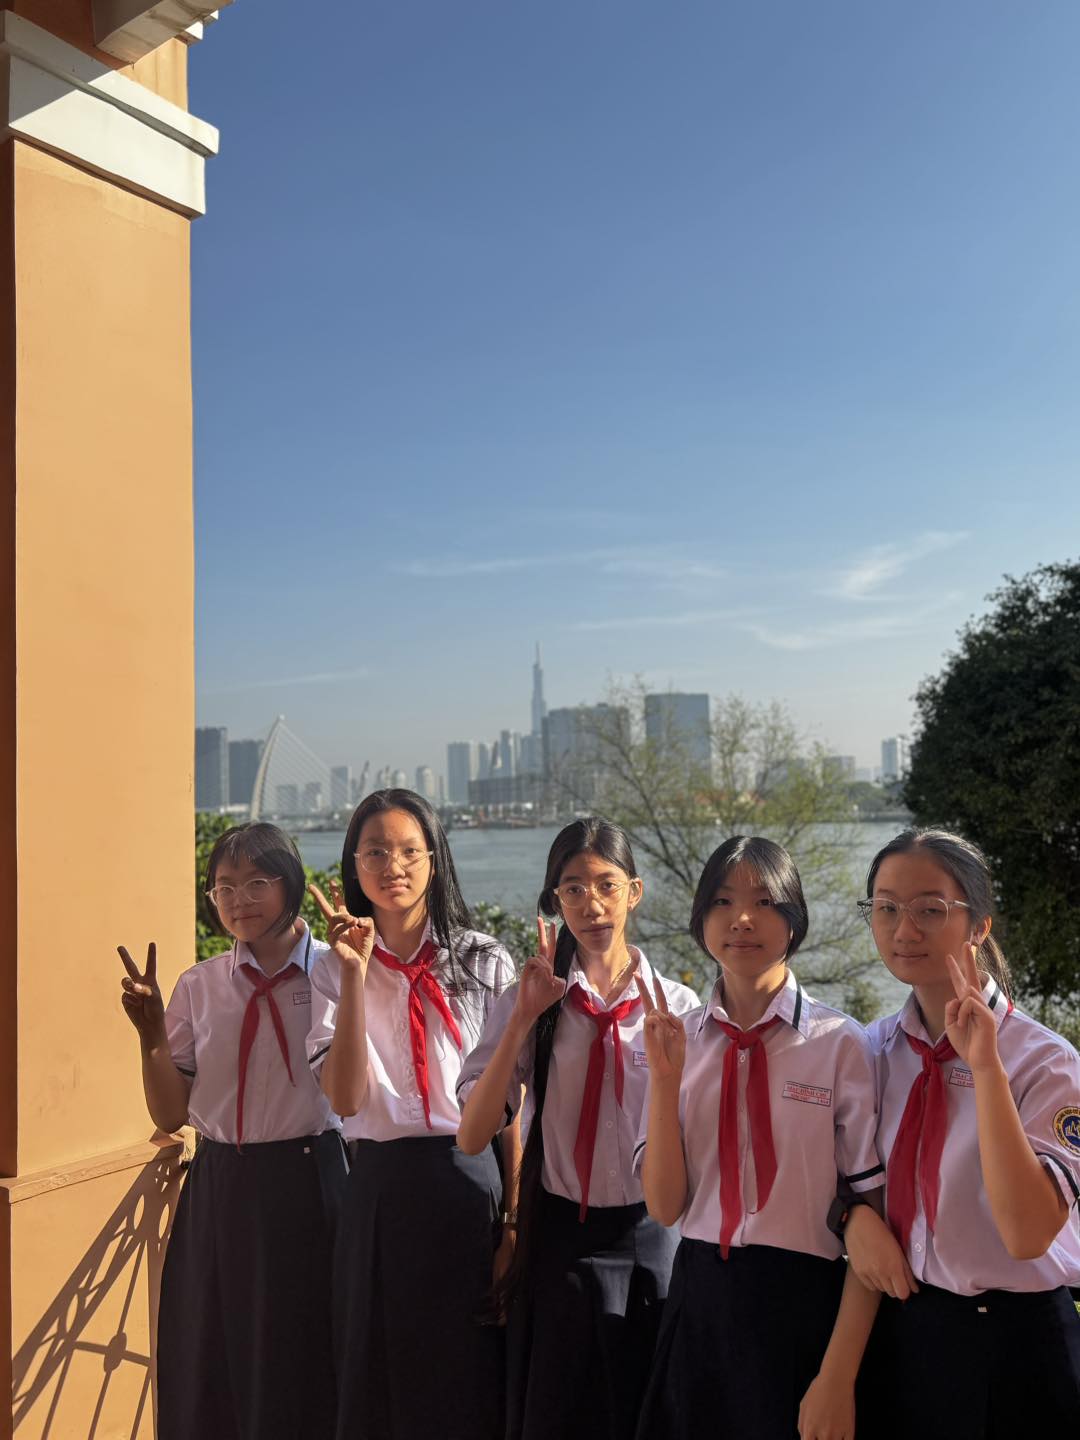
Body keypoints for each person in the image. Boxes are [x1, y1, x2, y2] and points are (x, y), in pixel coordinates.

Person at [456, 816, 699, 1440]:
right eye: (572, 889)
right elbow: (472, 1135)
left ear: (634, 892)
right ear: (555, 901)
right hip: (560, 1241)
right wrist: (521, 1019)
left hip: (655, 1239)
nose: (591, 904)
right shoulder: (535, 1001)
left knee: (648, 1415)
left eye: (606, 885)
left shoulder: (678, 1010)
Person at [635, 835, 884, 1440]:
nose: (741, 919)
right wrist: (665, 1081)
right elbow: (664, 1207)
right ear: (701, 919)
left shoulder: (839, 1043)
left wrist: (839, 1375)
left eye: (765, 902)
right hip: (699, 1300)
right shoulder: (676, 1039)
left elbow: (873, 1213)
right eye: (722, 901)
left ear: (794, 919)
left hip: (804, 1304)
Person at [839, 827, 1080, 1437]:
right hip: (907, 1333)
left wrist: (986, 1068)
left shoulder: (1046, 1063)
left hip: (1019, 1346)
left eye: (929, 910)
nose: (904, 930)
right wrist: (851, 1217)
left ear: (979, 926)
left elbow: (1028, 1233)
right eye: (886, 908)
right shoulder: (872, 1050)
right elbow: (838, 1176)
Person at [118, 821, 346, 1440]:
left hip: (310, 1181)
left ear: (291, 883)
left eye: (256, 883)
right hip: (220, 1186)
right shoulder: (200, 985)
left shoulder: (336, 972)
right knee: (211, 1352)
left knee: (304, 1353)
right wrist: (151, 1035)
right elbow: (170, 1114)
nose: (238, 900)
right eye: (223, 887)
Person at [306, 788, 517, 1440]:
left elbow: (515, 1108)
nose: (391, 866)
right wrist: (354, 974)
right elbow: (344, 1099)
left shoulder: (483, 960)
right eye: (374, 852)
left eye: (407, 850)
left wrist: (514, 1220)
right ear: (353, 863)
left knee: (468, 1375)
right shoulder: (329, 969)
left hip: (469, 1180)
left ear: (433, 859)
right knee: (380, 1377)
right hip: (377, 1190)